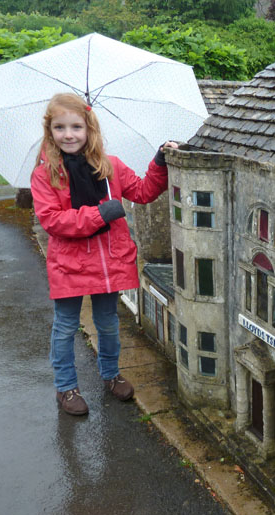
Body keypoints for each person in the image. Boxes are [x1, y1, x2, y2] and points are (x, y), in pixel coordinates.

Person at [31, 93, 177, 416]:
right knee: (65, 327)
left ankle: (111, 374)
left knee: (108, 324)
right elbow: (53, 221)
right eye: (59, 127)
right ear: (50, 131)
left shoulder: (111, 167)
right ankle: (66, 387)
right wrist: (100, 214)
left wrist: (159, 162)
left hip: (108, 261)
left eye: (76, 127)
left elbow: (143, 192)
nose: (68, 134)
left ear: (89, 129)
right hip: (69, 264)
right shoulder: (45, 175)